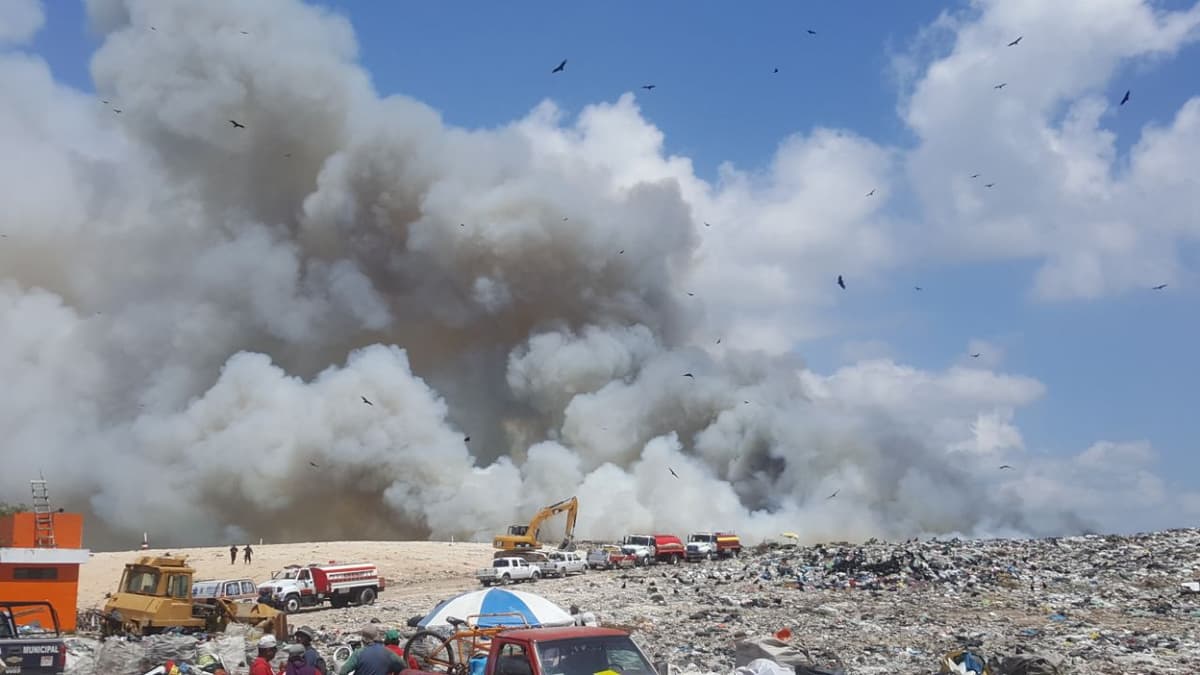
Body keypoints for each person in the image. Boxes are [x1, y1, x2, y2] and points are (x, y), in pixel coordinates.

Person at [338, 624, 406, 675]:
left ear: (363, 640)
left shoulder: (358, 653)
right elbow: (403, 667)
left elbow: (343, 672)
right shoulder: (388, 653)